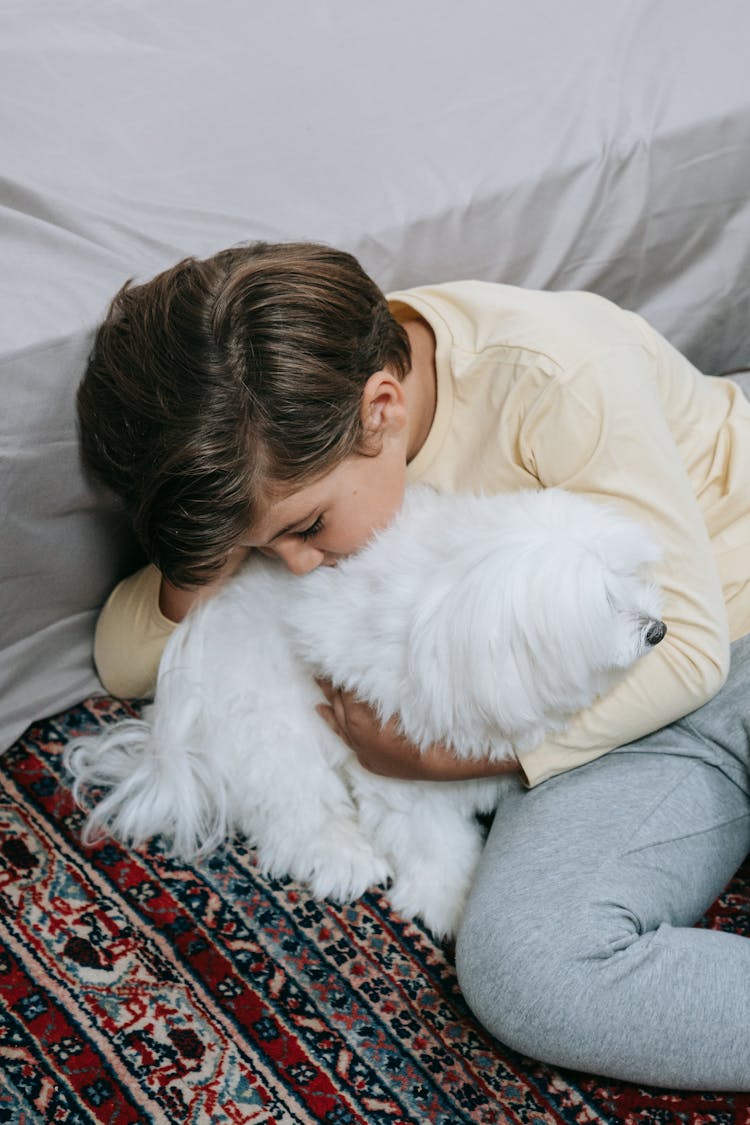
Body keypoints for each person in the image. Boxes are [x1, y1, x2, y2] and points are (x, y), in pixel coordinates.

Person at [78, 241, 750, 1090]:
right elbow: (123, 654)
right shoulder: (284, 439)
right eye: (263, 546)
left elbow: (687, 651)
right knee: (525, 971)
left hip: (715, 622)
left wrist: (437, 757)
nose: (291, 564)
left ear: (384, 409)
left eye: (307, 528)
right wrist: (215, 542)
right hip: (618, 721)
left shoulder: (553, 375)